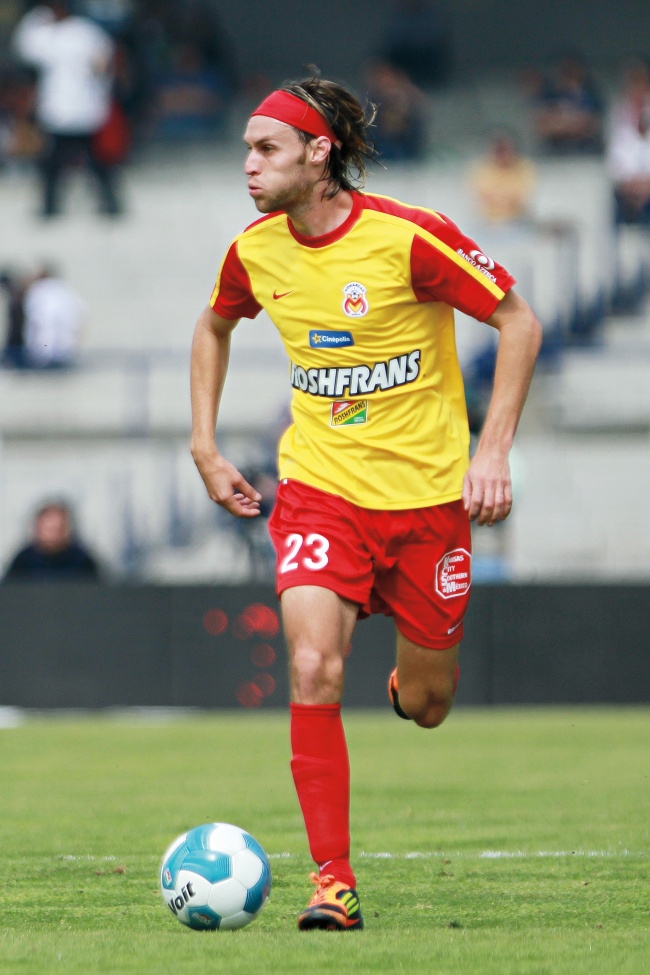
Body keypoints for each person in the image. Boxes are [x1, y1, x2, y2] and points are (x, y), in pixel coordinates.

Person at [189, 74, 542, 931]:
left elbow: (520, 322)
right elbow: (213, 326)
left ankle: (408, 682)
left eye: (266, 148)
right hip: (321, 492)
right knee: (313, 666)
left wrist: (491, 449)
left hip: (426, 504)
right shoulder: (253, 251)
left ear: (319, 153)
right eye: (246, 149)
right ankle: (333, 882)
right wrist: (204, 443)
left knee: (428, 705)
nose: (249, 164)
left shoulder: (409, 238)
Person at [12, 0, 123, 216]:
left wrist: (36, 16)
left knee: (71, 162)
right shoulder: (86, 33)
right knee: (81, 162)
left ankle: (55, 207)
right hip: (74, 107)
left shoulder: (58, 35)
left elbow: (23, 45)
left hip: (70, 108)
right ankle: (105, 204)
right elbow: (104, 65)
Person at [3, 500, 100, 581]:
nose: (54, 534)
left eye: (59, 529)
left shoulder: (82, 560)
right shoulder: (23, 560)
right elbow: (10, 592)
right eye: (49, 529)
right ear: (37, 529)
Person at [22, 265, 85, 368]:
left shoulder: (38, 292)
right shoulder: (68, 291)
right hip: (67, 351)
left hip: (43, 354)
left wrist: (40, 352)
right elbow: (81, 320)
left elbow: (42, 322)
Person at [469, 130, 537, 226]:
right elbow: (483, 195)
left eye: (505, 150)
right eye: (498, 151)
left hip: (517, 219)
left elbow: (521, 196)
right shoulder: (481, 168)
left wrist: (501, 198)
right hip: (487, 221)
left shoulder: (524, 167)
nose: (502, 155)